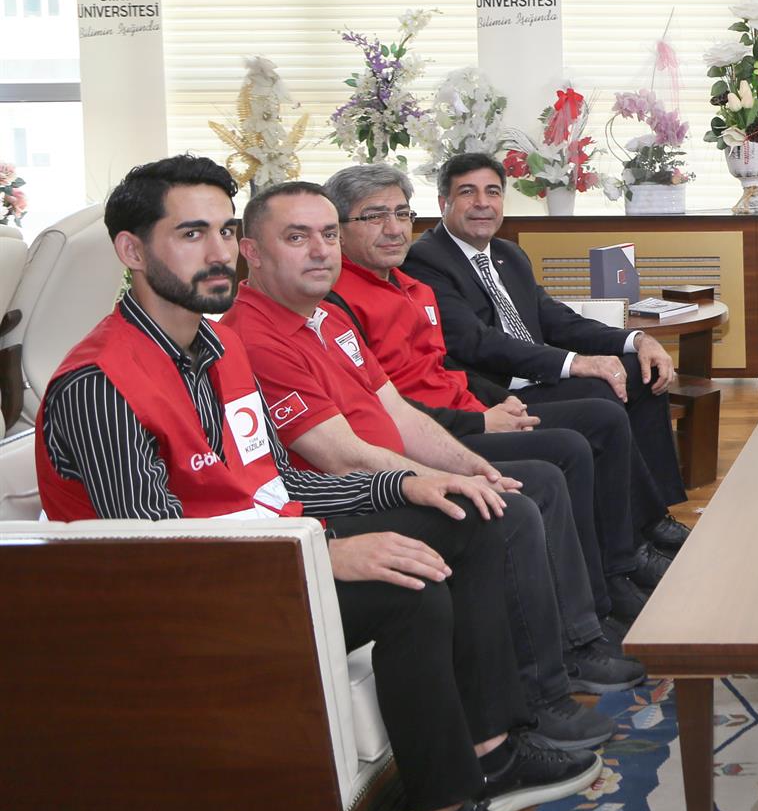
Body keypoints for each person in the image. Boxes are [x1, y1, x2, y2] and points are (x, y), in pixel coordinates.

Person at [34, 156, 591, 811]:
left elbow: (275, 482)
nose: (218, 252)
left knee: (469, 512)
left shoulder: (216, 347)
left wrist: (403, 487)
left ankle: (489, 755)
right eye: (192, 233)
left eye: (225, 231)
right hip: (178, 607)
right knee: (408, 591)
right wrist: (321, 554)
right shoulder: (100, 382)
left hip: (264, 554)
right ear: (132, 251)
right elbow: (160, 555)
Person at [223, 181, 639, 751]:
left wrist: (472, 466)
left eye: (326, 235)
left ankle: (575, 643)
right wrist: (436, 481)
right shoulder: (252, 335)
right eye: (297, 237)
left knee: (519, 480)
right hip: (348, 497)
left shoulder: (327, 318)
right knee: (510, 507)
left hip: (392, 472)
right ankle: (538, 698)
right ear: (251, 252)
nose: (320, 250)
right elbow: (339, 455)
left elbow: (398, 412)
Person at [326, 163, 658, 633]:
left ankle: (619, 564)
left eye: (401, 214)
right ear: (338, 230)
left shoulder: (412, 285)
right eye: (375, 216)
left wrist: (496, 402)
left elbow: (445, 366)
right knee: (569, 445)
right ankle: (592, 612)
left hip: (469, 410)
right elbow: (386, 405)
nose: (394, 228)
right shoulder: (339, 301)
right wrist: (482, 421)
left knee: (610, 402)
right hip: (434, 436)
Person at [404, 152, 692, 571]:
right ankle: (629, 543)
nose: (482, 203)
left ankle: (655, 516)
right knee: (600, 392)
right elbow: (476, 342)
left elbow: (555, 319)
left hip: (538, 377)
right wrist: (576, 363)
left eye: (492, 192)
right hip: (498, 395)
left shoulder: (507, 254)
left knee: (640, 373)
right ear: (442, 202)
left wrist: (635, 340)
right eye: (467, 192)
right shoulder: (426, 260)